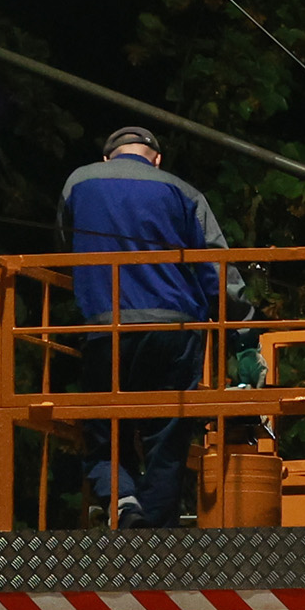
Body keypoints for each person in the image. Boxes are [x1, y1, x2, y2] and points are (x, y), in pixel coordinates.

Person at [56, 126, 227, 526]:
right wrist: (243, 332)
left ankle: (124, 502)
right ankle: (157, 533)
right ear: (156, 159)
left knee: (105, 435)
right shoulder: (183, 191)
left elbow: (66, 245)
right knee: (167, 441)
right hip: (173, 330)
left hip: (105, 326)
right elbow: (216, 268)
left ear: (107, 158)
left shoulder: (79, 181)